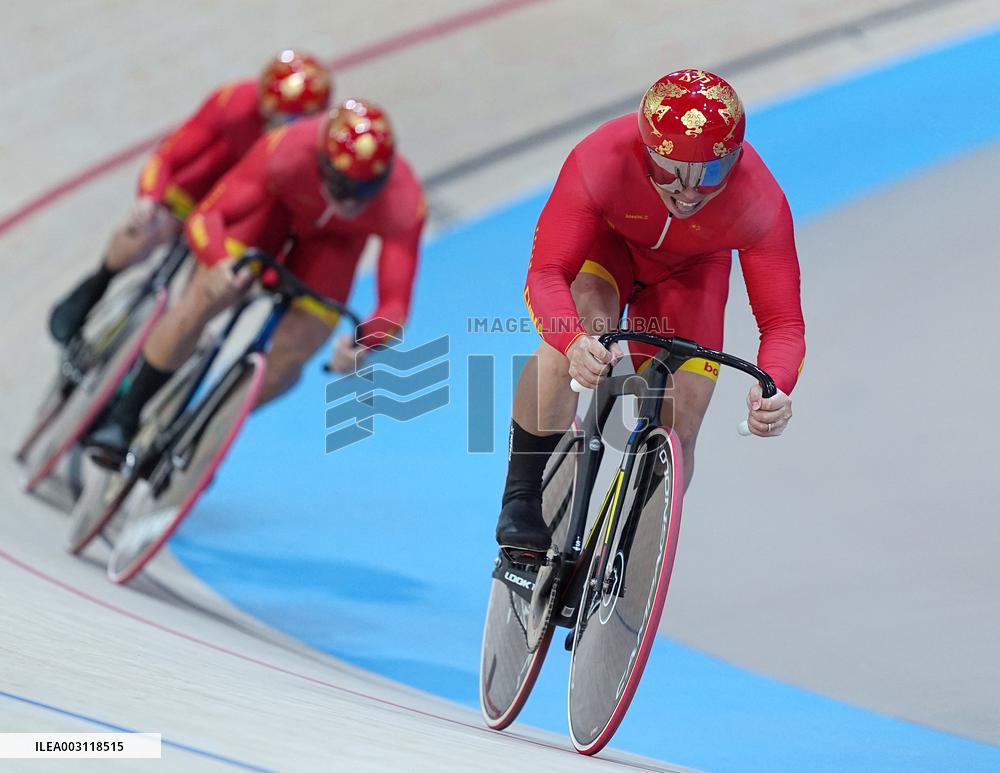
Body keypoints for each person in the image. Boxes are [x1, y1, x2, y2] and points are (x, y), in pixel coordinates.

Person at [496, 69, 805, 552]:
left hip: (693, 270)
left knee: (680, 428)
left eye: (711, 174)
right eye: (670, 172)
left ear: (736, 159)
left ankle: (634, 553)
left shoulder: (760, 201)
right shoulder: (601, 158)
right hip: (610, 249)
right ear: (645, 151)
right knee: (578, 336)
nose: (688, 192)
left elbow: (783, 325)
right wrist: (573, 342)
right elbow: (546, 274)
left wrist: (776, 387)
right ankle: (520, 495)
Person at [87, 98, 426, 462]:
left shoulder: (403, 204)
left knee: (297, 348)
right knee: (209, 294)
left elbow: (396, 304)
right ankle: (125, 413)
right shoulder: (287, 150)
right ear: (321, 162)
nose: (348, 204)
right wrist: (218, 263)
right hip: (271, 213)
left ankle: (202, 428)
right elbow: (209, 215)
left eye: (362, 194)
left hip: (332, 247)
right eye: (340, 188)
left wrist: (365, 342)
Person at [48, 50, 333, 343]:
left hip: (235, 214)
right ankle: (99, 283)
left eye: (291, 123)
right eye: (272, 118)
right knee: (147, 228)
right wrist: (150, 197)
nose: (278, 129)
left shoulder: (316, 156)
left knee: (203, 299)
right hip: (201, 187)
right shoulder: (235, 102)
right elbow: (168, 156)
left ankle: (159, 356)